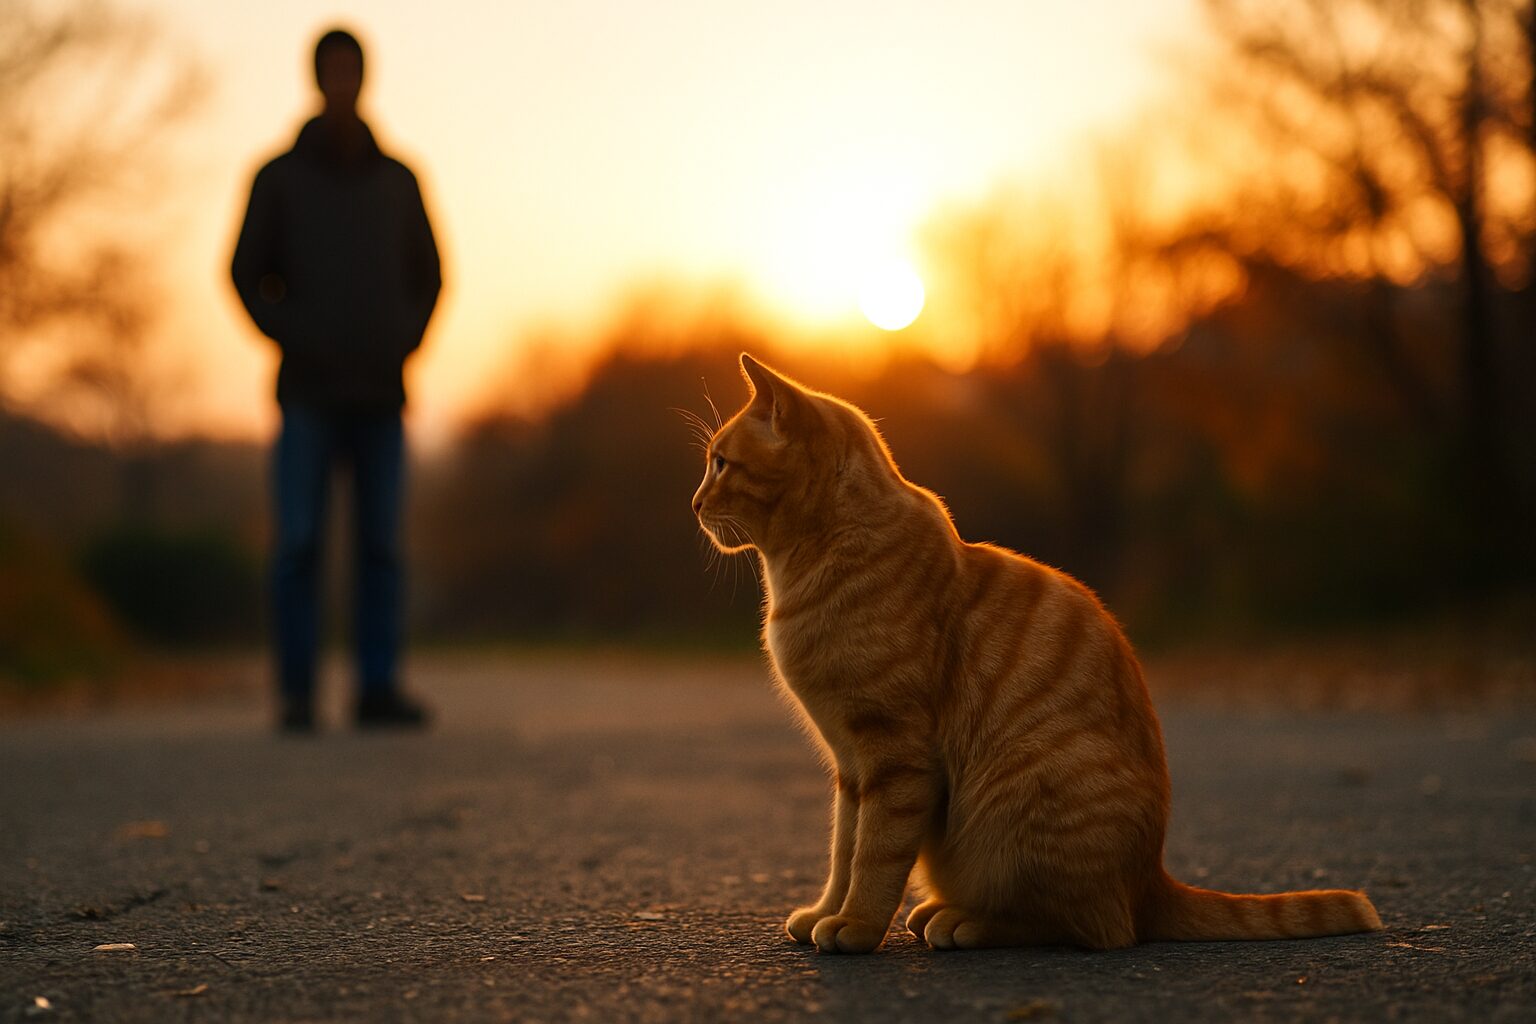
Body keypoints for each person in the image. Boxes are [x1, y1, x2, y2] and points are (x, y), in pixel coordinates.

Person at [231, 27, 441, 732]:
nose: (344, 81)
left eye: (353, 70)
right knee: (298, 546)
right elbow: (243, 274)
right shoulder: (278, 179)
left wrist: (400, 343)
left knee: (381, 550)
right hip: (309, 395)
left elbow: (433, 276)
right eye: (333, 70)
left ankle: (375, 689)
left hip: (381, 396)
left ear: (365, 78)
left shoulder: (399, 180)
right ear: (317, 79)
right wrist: (298, 337)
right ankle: (296, 695)